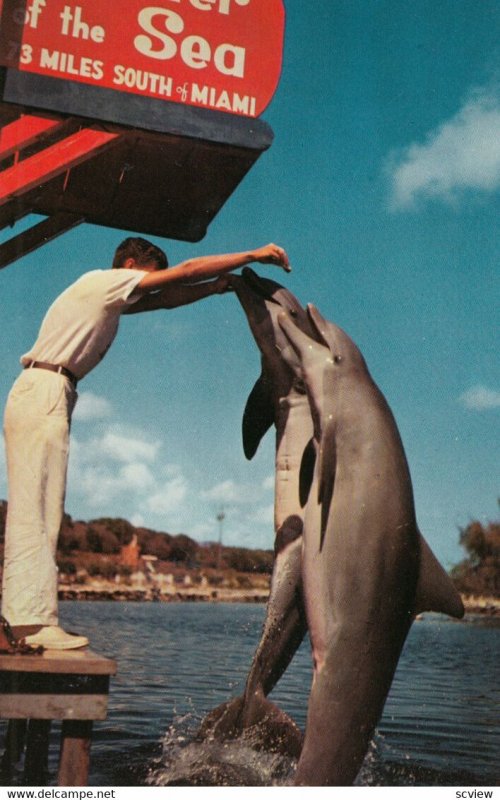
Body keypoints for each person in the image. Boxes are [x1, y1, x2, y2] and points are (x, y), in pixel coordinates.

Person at [1, 237, 290, 650]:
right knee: (36, 509)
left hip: (50, 390)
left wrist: (217, 287)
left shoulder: (107, 296)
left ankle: (28, 621)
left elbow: (167, 299)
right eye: (149, 279)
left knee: (45, 510)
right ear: (131, 265)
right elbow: (187, 270)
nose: (150, 289)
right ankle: (30, 625)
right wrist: (252, 255)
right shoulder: (105, 282)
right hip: (45, 388)